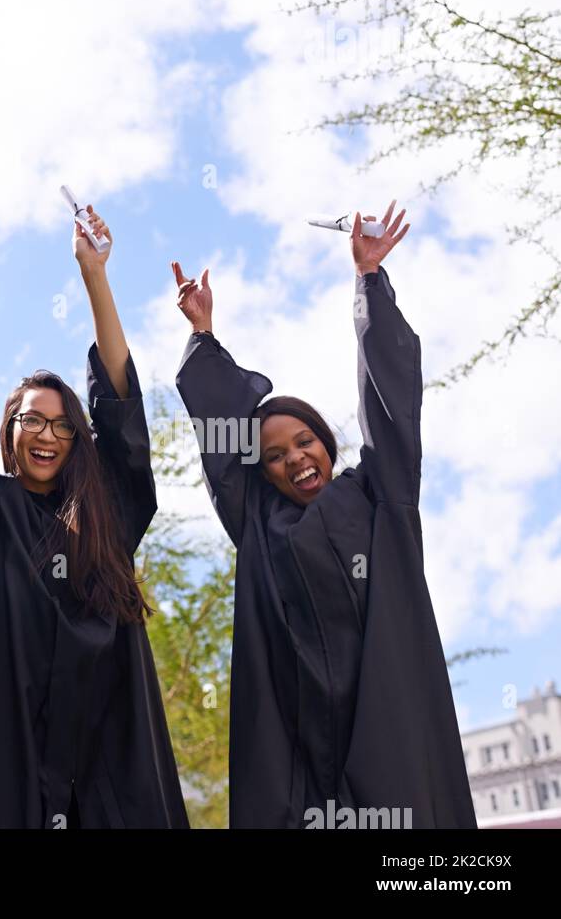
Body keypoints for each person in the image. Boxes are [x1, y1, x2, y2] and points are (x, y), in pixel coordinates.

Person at [173, 203, 476, 828]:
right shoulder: (258, 525)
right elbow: (224, 449)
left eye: (305, 441)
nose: (295, 459)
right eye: (276, 456)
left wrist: (368, 282)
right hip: (301, 766)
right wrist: (204, 337)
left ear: (326, 443)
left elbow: (390, 403)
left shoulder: (378, 497)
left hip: (388, 743)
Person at [0, 206, 188, 828]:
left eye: (64, 424)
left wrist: (95, 276)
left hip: (115, 751)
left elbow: (123, 406)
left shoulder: (105, 516)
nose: (48, 434)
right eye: (33, 420)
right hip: (18, 742)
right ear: (9, 432)